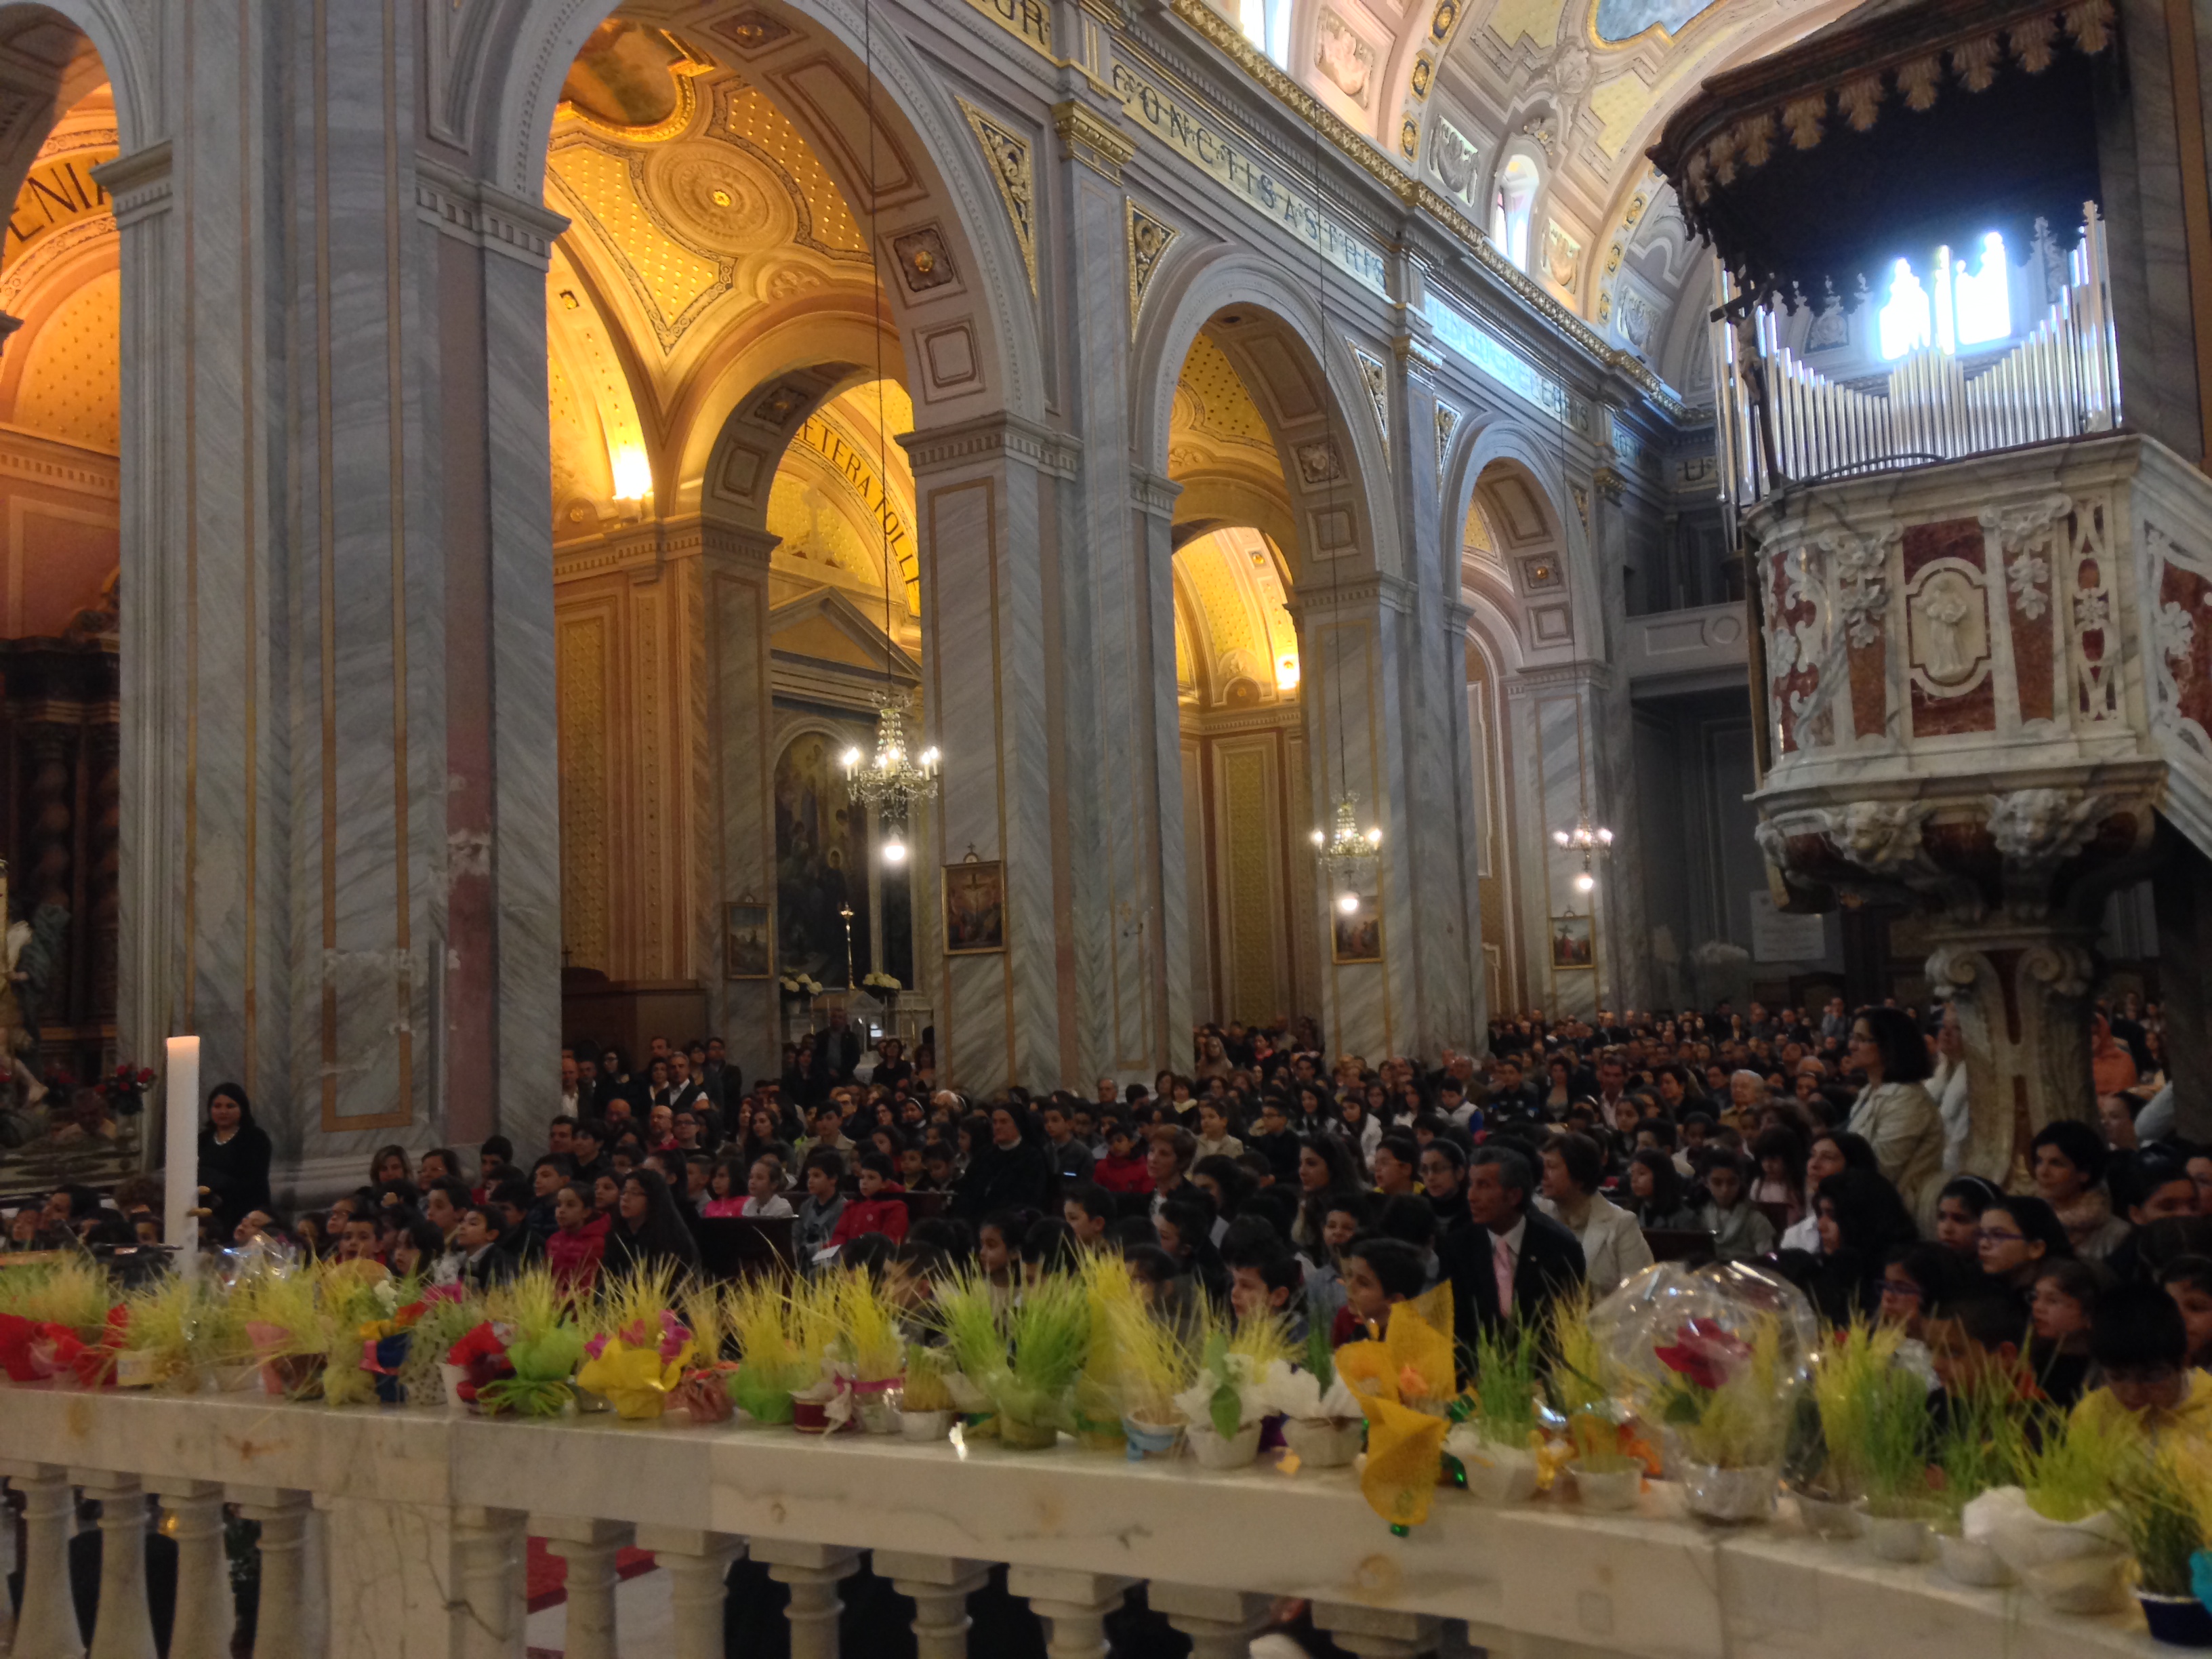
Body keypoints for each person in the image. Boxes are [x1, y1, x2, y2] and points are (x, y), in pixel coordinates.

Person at [1439, 1145, 1586, 1351]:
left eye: (1483, 1186)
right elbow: (1453, 1325)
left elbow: (1569, 1325)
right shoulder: (1458, 1247)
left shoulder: (1559, 1248)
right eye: (1471, 1185)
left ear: (1514, 1196)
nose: (1471, 1196)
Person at [1843, 1006, 1946, 1228]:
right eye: (1852, 1037)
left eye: (1861, 1039)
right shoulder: (1869, 1092)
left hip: (1896, 1213)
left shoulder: (1907, 1099)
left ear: (1887, 1045)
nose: (1851, 1046)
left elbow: (1882, 1168)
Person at [2070, 1283, 2212, 1443]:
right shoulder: (2093, 1413)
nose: (2133, 1393)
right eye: (2117, 1377)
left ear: (2183, 1361)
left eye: (2151, 1378)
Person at [1536, 1131, 1652, 1293]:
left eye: (1552, 1167)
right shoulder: (1538, 1217)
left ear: (1579, 1175)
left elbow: (1637, 1293)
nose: (1542, 1175)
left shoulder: (1621, 1224)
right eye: (1541, 1166)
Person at [2030, 1120, 2129, 1263]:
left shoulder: (2115, 1234)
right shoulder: (2030, 1222)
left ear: (2084, 1173)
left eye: (2056, 1163)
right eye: (2039, 1161)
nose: (2043, 1172)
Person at [197, 1082, 272, 1242]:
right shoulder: (203, 1139)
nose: (223, 1111)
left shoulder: (255, 1138)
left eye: (230, 1106)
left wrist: (217, 1182)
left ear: (242, 1109)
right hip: (208, 1211)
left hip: (243, 1210)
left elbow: (254, 1180)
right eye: (217, 1106)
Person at [955, 1103, 1054, 1221]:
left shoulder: (1032, 1157)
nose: (997, 1127)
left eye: (1003, 1122)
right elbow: (966, 1187)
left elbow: (1030, 1199)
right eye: (995, 1122)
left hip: (1012, 1223)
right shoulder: (985, 1154)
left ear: (1018, 1125)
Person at [601, 1168, 701, 1277]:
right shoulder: (617, 1234)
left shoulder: (671, 1240)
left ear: (653, 1199)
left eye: (634, 1193)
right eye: (624, 1192)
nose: (625, 1198)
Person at [1696, 1150, 1776, 1263]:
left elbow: (1767, 1262)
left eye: (1732, 1183)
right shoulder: (1700, 1216)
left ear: (1740, 1182)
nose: (1725, 1190)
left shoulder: (1755, 1219)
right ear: (1706, 1182)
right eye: (1717, 1183)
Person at [829, 1153, 910, 1249]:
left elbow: (890, 1241)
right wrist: (837, 1249)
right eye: (862, 1177)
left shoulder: (895, 1207)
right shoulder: (853, 1206)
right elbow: (840, 1235)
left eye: (871, 1178)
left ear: (885, 1183)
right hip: (848, 1256)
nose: (864, 1182)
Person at [546, 1180, 609, 1292]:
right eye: (558, 1204)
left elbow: (588, 1288)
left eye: (570, 1205)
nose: (561, 1210)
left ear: (586, 1212)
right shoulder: (553, 1240)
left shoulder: (596, 1243)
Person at [794, 1151, 848, 1263]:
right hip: (802, 1260)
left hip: (828, 1263)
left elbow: (835, 1244)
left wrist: (807, 1250)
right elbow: (796, 1235)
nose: (810, 1181)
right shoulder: (806, 1206)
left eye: (817, 1176)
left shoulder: (843, 1208)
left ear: (833, 1179)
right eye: (809, 1176)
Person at [450, 1204, 518, 1290]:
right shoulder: (458, 1257)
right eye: (463, 1221)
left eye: (473, 1223)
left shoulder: (500, 1264)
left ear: (491, 1234)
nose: (462, 1227)